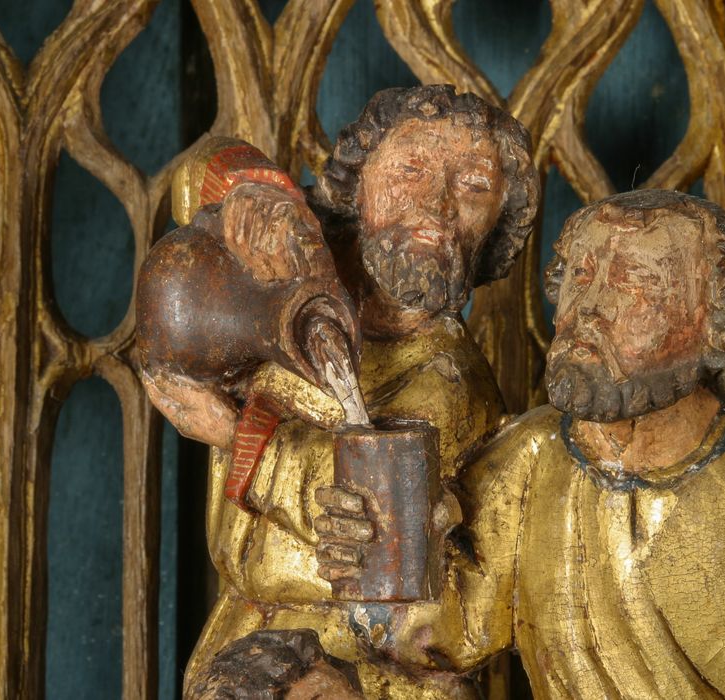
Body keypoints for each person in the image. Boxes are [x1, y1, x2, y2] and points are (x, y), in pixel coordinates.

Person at [320, 190, 725, 698]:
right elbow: (448, 632)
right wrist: (377, 564)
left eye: (634, 282)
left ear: (717, 323)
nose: (588, 308)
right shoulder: (530, 459)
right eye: (580, 276)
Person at [179, 85, 539, 698]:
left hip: (371, 673)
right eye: (411, 170)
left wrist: (235, 433)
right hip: (240, 643)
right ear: (357, 183)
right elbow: (194, 174)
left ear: (499, 225)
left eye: (475, 186)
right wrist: (248, 191)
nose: (436, 205)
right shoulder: (286, 277)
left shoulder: (452, 385)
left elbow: (368, 513)